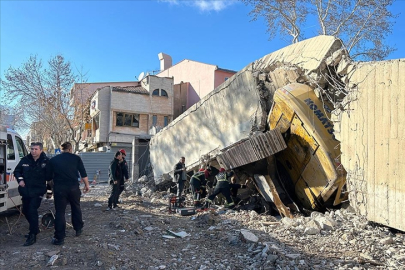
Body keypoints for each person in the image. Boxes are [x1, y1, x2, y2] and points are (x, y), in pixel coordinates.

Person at [46, 142, 90, 245]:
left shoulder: (53, 160)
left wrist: (50, 190)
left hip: (60, 189)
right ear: (70, 149)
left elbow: (48, 177)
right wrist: (87, 185)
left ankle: (59, 237)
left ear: (61, 149)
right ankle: (78, 229)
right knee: (76, 207)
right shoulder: (76, 158)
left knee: (60, 212)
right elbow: (83, 173)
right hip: (74, 188)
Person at [14, 142, 49, 246]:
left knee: (32, 209)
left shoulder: (46, 161)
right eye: (32, 149)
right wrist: (20, 180)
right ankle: (35, 228)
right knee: (25, 210)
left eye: (36, 149)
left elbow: (51, 176)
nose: (33, 151)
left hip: (38, 190)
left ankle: (32, 234)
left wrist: (50, 192)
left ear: (41, 150)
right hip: (26, 190)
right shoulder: (25, 160)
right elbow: (17, 171)